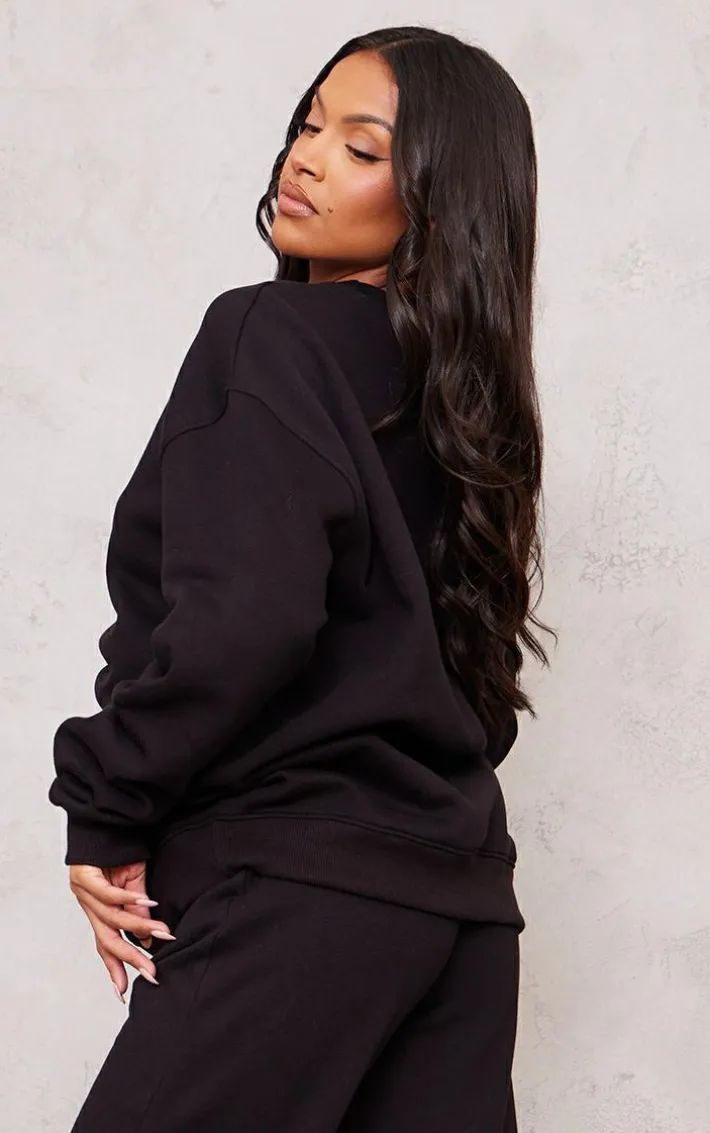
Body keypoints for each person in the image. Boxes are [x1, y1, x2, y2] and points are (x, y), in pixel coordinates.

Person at [48, 23, 554, 1133]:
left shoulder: (267, 333)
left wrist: (107, 807)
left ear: (436, 205)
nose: (307, 159)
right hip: (461, 912)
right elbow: (472, 676)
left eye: (360, 148)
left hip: (294, 884)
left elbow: (244, 618)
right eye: (309, 125)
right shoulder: (474, 408)